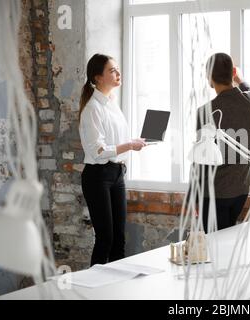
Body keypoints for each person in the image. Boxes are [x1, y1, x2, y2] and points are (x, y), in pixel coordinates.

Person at [79, 53, 147, 266]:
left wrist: (133, 141)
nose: (118, 73)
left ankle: (118, 289)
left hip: (117, 173)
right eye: (112, 70)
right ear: (98, 77)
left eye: (118, 69)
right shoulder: (92, 108)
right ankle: (93, 292)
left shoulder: (111, 104)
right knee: (105, 239)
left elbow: (115, 140)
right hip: (98, 176)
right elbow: (98, 150)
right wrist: (129, 145)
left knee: (119, 238)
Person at [196, 52, 250, 233]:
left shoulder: (205, 112)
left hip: (214, 191)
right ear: (233, 73)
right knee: (227, 241)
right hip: (241, 188)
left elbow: (201, 159)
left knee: (213, 247)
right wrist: (240, 79)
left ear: (209, 77)